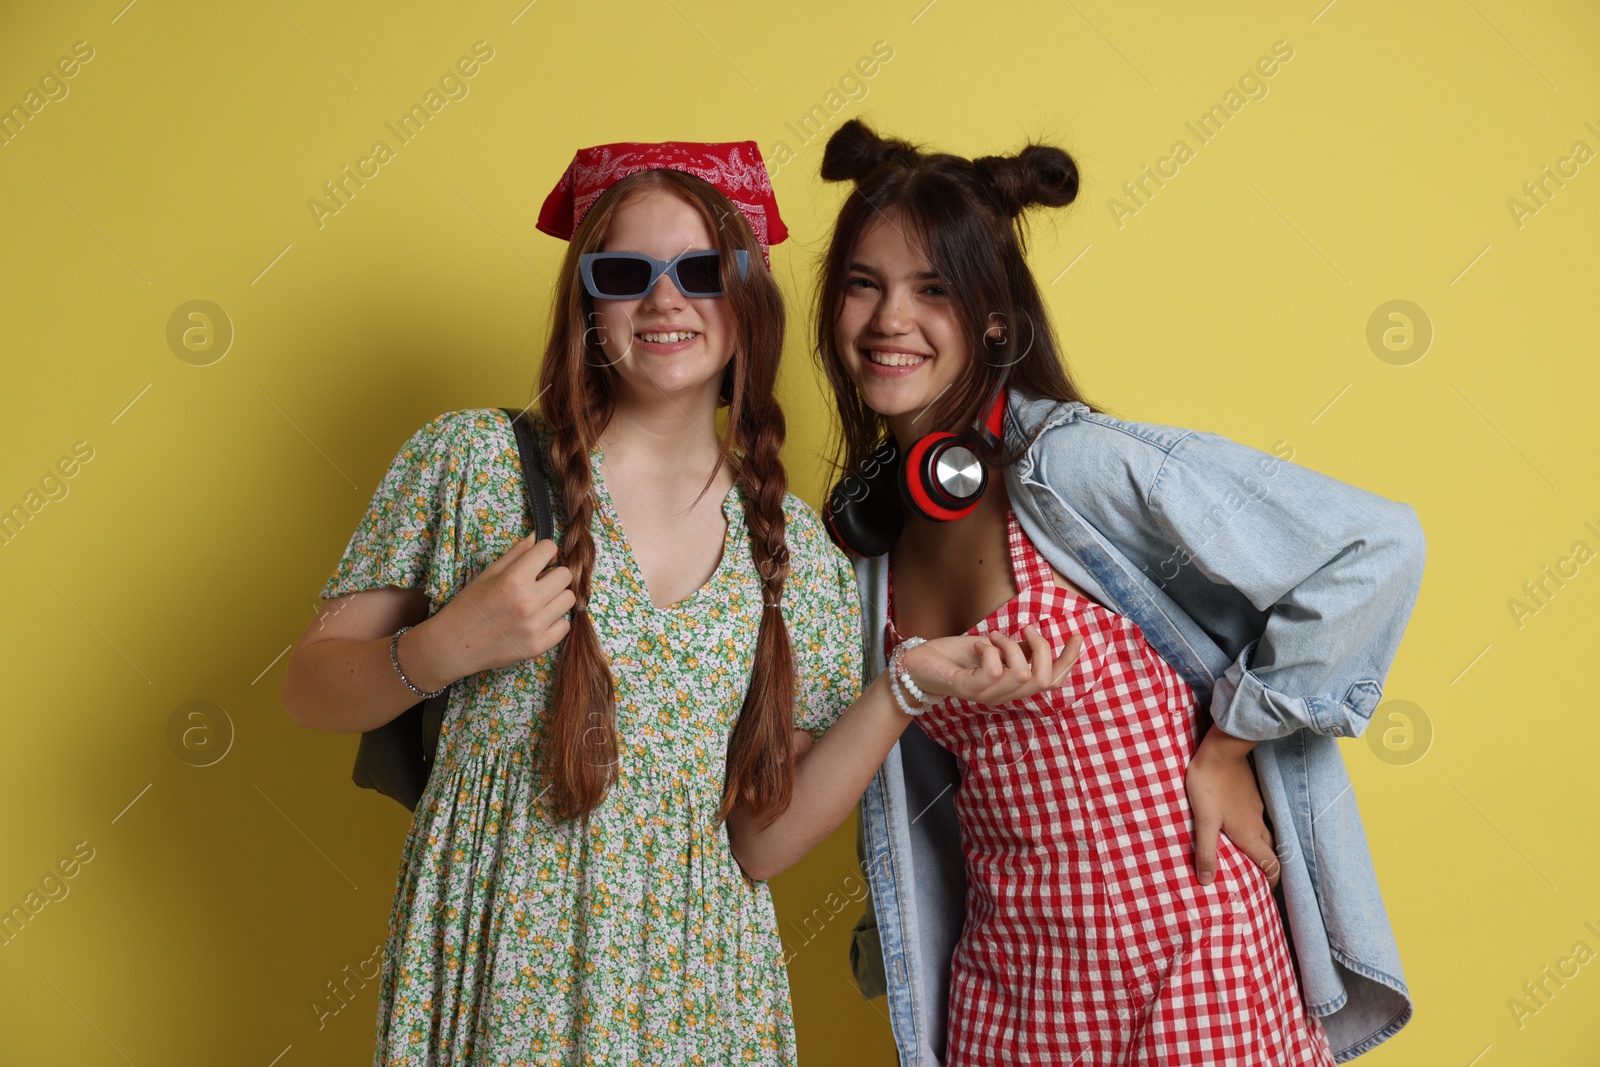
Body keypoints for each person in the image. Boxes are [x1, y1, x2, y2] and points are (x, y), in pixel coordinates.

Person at [280, 139, 1068, 1066]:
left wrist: (904, 688)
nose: (665, 299)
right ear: (587, 303)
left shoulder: (797, 556)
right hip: (498, 973)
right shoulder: (472, 461)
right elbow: (310, 687)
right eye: (626, 272)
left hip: (699, 997)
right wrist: (441, 650)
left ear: (749, 299)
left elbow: (760, 846)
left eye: (702, 270)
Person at [806, 119, 1425, 1064]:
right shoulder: (868, 547)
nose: (892, 318)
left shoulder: (1075, 470)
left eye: (934, 289)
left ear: (995, 319)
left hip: (1190, 963)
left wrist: (1231, 742)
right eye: (864, 283)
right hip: (1008, 992)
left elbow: (1375, 545)